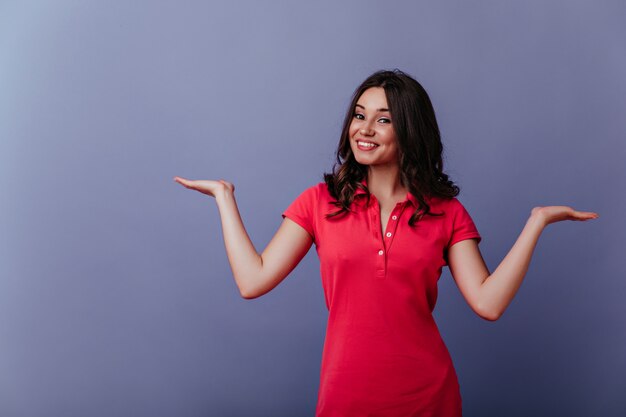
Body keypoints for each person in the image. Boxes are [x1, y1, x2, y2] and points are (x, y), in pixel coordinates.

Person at [173, 69, 598, 417]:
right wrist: (225, 200)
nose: (365, 129)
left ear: (409, 131)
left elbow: (488, 303)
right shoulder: (320, 203)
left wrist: (536, 223)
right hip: (345, 399)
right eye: (360, 115)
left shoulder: (445, 212)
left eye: (383, 119)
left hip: (427, 398)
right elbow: (253, 280)